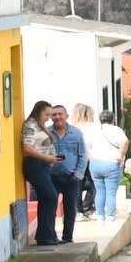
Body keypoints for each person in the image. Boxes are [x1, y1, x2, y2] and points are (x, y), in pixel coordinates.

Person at [75, 104, 128, 224]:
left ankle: (99, 216)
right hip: (111, 163)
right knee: (110, 193)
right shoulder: (116, 130)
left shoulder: (94, 131)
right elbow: (124, 141)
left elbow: (86, 146)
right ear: (113, 119)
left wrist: (91, 158)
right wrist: (120, 155)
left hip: (95, 163)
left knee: (99, 190)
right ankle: (109, 216)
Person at [21, 100, 62, 245]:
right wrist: (47, 157)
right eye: (47, 114)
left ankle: (49, 235)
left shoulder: (40, 125)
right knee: (50, 197)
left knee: (47, 199)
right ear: (39, 111)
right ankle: (45, 235)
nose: (49, 118)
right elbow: (27, 147)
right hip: (35, 165)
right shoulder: (31, 125)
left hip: (43, 166)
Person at [48, 104, 86, 246]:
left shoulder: (76, 133)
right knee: (50, 207)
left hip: (71, 177)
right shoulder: (47, 133)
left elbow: (82, 155)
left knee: (70, 208)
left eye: (60, 114)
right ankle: (51, 236)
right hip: (52, 176)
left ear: (66, 116)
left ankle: (67, 237)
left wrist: (78, 174)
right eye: (54, 114)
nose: (57, 117)